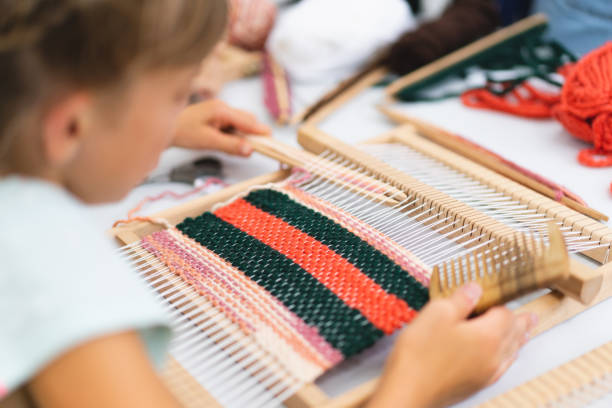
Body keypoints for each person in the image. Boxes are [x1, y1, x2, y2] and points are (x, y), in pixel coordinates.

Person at [0, 1, 536, 407]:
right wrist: (415, 386)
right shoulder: (54, 275)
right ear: (70, 125)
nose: (181, 111)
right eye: (179, 96)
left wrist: (149, 133)